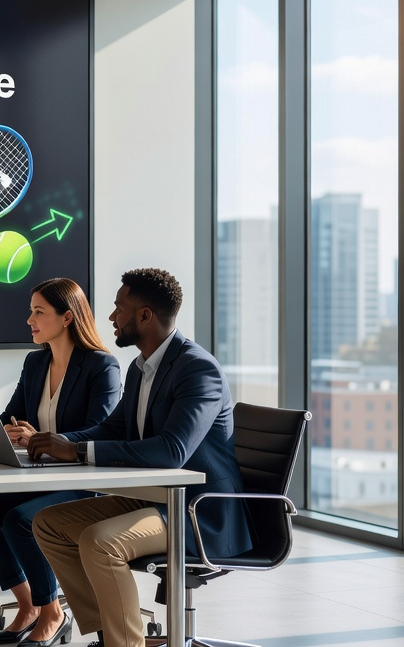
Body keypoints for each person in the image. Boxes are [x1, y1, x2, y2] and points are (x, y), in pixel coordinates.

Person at [27, 269, 251, 647]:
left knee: (100, 542)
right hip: (156, 497)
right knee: (49, 523)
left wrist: (77, 451)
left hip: (199, 512)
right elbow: (113, 430)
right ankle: (111, 634)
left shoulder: (197, 369)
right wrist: (58, 441)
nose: (112, 316)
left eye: (119, 307)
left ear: (144, 316)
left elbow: (171, 451)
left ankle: (123, 643)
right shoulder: (140, 367)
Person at [0, 278, 120, 647]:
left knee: (20, 520)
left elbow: (102, 430)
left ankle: (53, 612)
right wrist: (8, 430)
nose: (29, 320)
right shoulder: (36, 363)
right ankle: (29, 605)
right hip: (40, 475)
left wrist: (46, 441)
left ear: (67, 318)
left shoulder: (102, 366)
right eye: (30, 311)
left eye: (38, 312)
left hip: (82, 480)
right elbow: (11, 414)